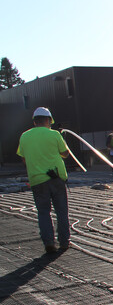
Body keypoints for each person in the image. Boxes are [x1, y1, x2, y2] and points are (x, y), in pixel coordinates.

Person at [16, 107, 71, 254]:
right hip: (56, 178)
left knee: (43, 212)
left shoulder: (24, 136)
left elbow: (24, 159)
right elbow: (65, 153)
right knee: (61, 211)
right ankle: (64, 242)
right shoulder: (54, 134)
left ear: (35, 121)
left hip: (37, 180)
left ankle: (49, 243)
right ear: (48, 120)